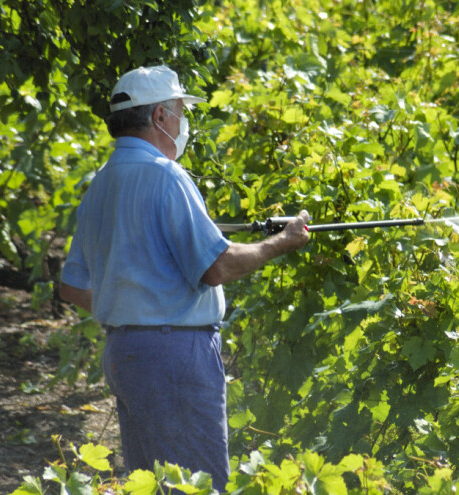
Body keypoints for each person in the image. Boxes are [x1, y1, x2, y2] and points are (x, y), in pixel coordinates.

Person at [59, 65, 310, 491]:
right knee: (196, 484)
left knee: (152, 484)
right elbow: (218, 266)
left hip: (123, 352)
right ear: (159, 118)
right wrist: (281, 242)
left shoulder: (99, 185)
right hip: (175, 356)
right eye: (179, 111)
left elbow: (72, 286)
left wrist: (130, 304)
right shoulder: (166, 176)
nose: (182, 122)